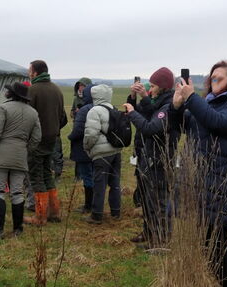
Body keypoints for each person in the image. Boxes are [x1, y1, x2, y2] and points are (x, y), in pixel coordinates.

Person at [170, 60, 227, 287]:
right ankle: (203, 280)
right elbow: (178, 126)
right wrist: (176, 106)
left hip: (222, 179)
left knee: (218, 235)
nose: (213, 82)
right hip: (199, 178)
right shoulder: (208, 103)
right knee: (201, 233)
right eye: (211, 78)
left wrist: (191, 98)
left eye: (219, 78)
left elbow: (218, 123)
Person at [123, 67, 179, 249]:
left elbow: (150, 128)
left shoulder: (169, 105)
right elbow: (144, 111)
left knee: (158, 203)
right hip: (147, 157)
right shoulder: (157, 101)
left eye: (153, 86)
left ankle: (161, 241)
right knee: (147, 201)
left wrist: (133, 111)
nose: (150, 89)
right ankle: (149, 232)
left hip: (160, 161)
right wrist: (133, 98)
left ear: (162, 87)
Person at [0, 82, 42, 238]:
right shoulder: (33, 112)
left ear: (13, 94)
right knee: (17, 192)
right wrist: (25, 149)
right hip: (20, 155)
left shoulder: (4, 108)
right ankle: (18, 229)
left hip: (0, 155)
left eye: (8, 91)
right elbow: (37, 138)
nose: (6, 92)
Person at [24, 60, 67, 225]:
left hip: (36, 141)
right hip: (52, 139)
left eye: (30, 70)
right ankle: (54, 212)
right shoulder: (57, 89)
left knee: (36, 177)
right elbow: (62, 118)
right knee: (48, 174)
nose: (29, 72)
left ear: (35, 72)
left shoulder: (32, 90)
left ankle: (40, 216)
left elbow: (27, 117)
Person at [83, 84, 124, 224]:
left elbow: (91, 134)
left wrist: (87, 148)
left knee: (99, 184)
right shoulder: (114, 109)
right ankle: (116, 212)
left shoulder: (94, 111)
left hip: (101, 154)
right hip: (116, 151)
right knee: (115, 183)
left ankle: (97, 215)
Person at [68, 85, 96, 214]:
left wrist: (70, 137)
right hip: (97, 148)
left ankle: (88, 205)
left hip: (83, 148)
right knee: (95, 175)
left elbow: (78, 130)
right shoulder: (101, 107)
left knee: (87, 177)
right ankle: (95, 203)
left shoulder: (85, 109)